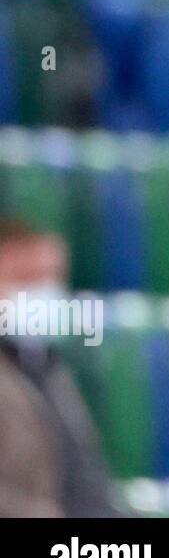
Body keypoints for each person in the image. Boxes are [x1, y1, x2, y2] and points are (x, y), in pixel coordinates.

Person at [0, 218, 122, 516]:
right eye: (25, 279)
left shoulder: (48, 367)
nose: (43, 294)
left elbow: (86, 477)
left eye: (51, 278)